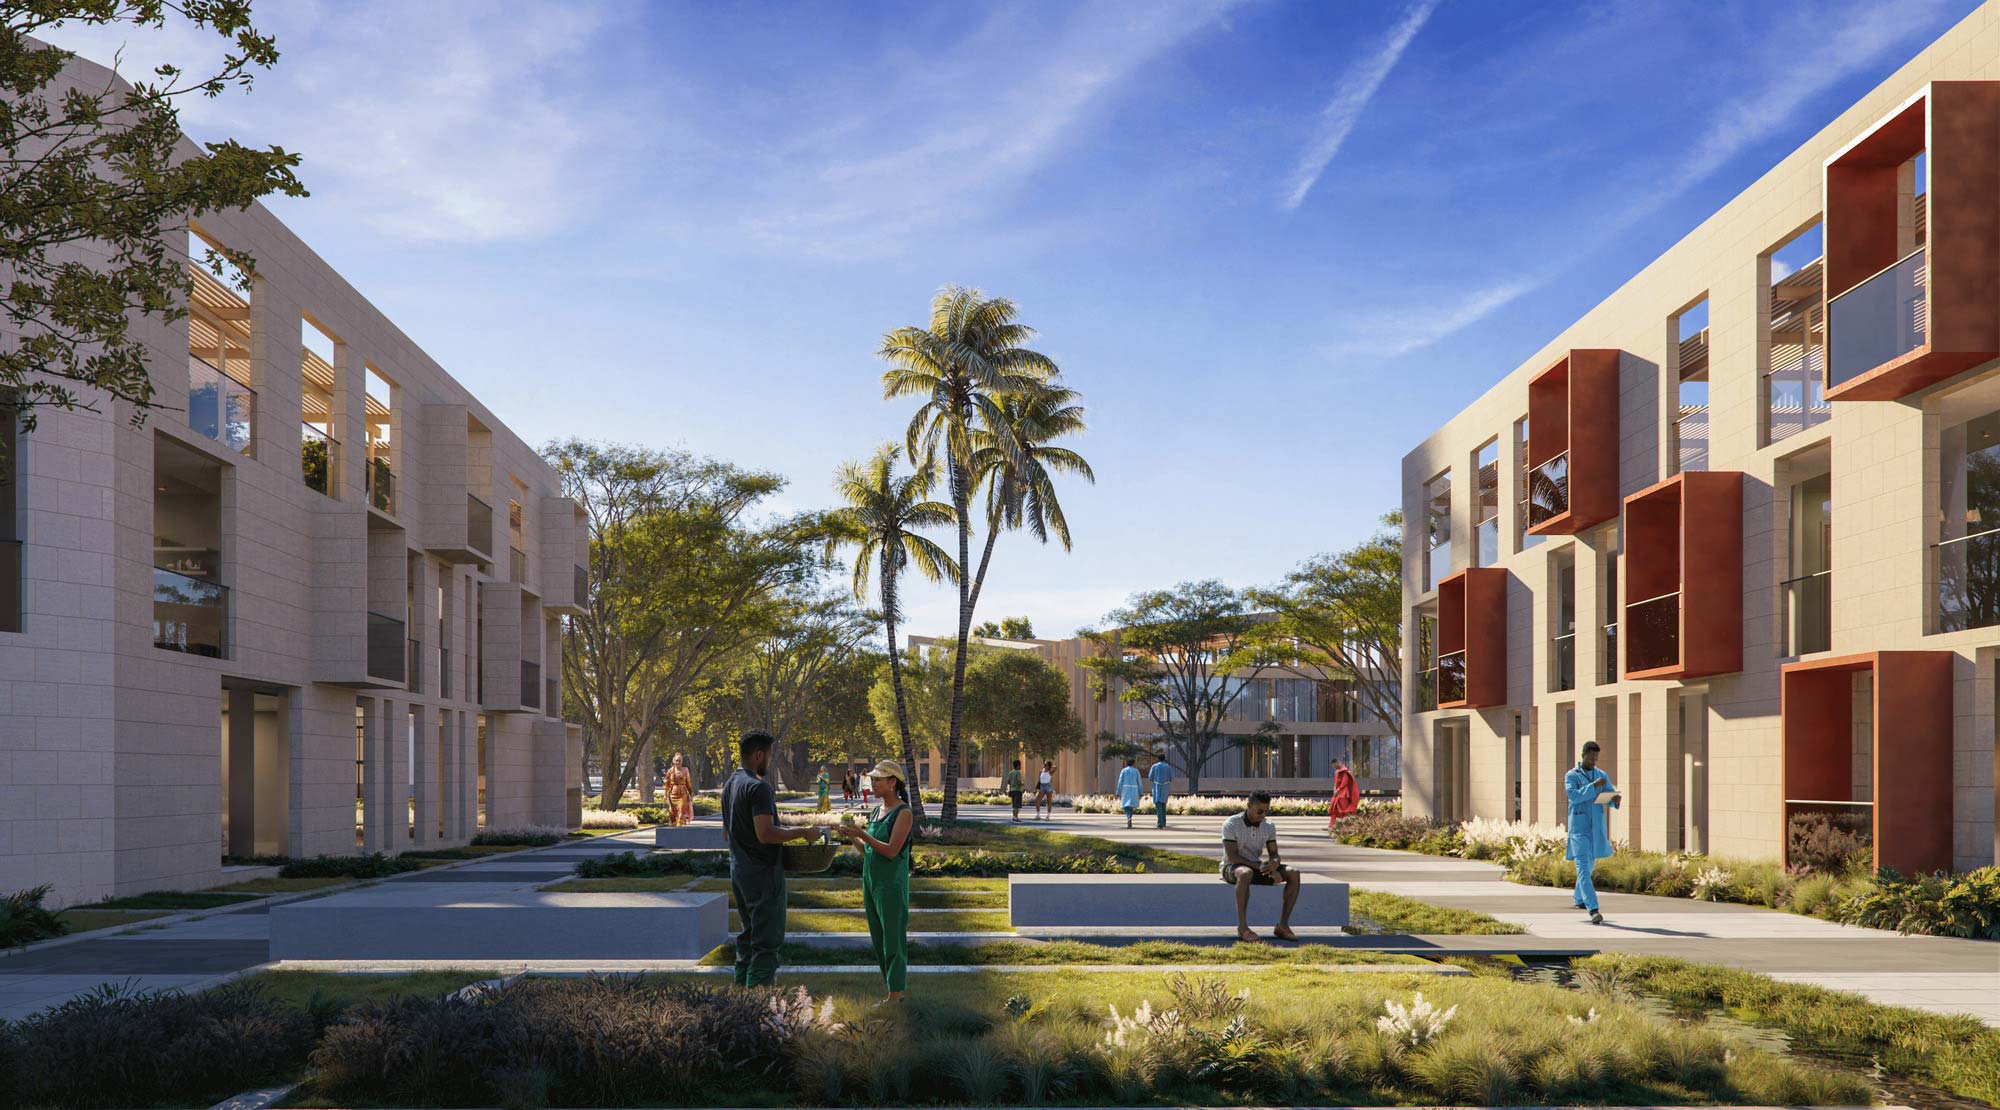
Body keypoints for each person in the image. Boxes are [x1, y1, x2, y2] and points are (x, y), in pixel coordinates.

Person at [721, 729, 827, 986]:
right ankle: (757, 1008)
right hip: (763, 874)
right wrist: (803, 832)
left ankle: (738, 1004)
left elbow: (727, 833)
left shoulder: (730, 784)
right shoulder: (759, 788)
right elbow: (766, 833)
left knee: (747, 937)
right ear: (759, 755)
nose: (770, 760)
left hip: (740, 871)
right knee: (766, 944)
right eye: (769, 755)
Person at [834, 759, 914, 1002]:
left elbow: (891, 851)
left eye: (878, 779)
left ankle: (896, 995)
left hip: (891, 885)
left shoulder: (904, 813)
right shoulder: (877, 811)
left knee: (893, 938)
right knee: (878, 938)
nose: (873, 783)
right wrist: (852, 838)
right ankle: (892, 991)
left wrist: (862, 834)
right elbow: (869, 851)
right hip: (871, 881)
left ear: (892, 783)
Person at [1220, 791, 1300, 943]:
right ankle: (1243, 928)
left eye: (1266, 811)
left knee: (1293, 873)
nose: (1263, 815)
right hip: (1232, 867)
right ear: (1249, 806)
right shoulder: (1231, 824)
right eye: (1259, 811)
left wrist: (1274, 864)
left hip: (1257, 867)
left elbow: (1274, 853)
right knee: (1245, 873)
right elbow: (1233, 857)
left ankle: (1282, 926)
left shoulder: (1268, 826)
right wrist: (1263, 867)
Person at [1565, 740, 1620, 926]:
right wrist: (1594, 787)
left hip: (1596, 828)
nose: (1594, 762)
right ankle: (1593, 909)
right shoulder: (1571, 776)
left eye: (1596, 759)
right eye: (1591, 758)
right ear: (1583, 755)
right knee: (1582, 868)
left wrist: (1615, 800)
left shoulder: (1601, 775)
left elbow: (1609, 794)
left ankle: (1578, 899)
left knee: (1588, 867)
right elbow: (1575, 797)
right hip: (1579, 830)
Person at [1327, 757, 1359, 830]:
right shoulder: (1337, 771)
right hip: (1337, 793)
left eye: (1334, 765)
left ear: (1337, 763)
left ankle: (1348, 826)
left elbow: (1345, 782)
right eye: (1333, 766)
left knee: (1344, 810)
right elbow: (1335, 782)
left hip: (1343, 794)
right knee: (1334, 809)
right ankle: (1331, 826)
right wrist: (1335, 789)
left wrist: (1338, 790)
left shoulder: (1345, 772)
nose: (1334, 767)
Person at [664, 752, 694, 827]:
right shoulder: (670, 771)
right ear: (673, 761)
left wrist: (690, 793)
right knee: (672, 813)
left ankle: (680, 830)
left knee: (681, 812)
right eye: (676, 760)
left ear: (682, 761)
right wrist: (665, 794)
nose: (678, 762)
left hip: (683, 794)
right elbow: (667, 783)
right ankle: (673, 829)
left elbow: (688, 782)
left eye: (679, 760)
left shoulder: (685, 770)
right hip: (673, 794)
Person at [1146, 753, 1174, 829]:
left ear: (1158, 759)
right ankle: (1164, 822)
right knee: (1163, 805)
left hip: (1156, 786)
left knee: (1158, 805)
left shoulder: (1154, 766)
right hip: (1165, 786)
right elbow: (1171, 778)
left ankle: (1160, 823)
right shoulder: (1168, 767)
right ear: (1164, 759)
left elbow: (1150, 777)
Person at [1116, 757, 1142, 828]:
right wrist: (1140, 792)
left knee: (1125, 804)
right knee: (1131, 805)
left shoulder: (1124, 771)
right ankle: (1130, 817)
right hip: (1134, 789)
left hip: (1125, 789)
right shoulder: (1136, 771)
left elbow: (1120, 781)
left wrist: (1118, 791)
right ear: (1133, 763)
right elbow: (1139, 782)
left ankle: (1128, 817)